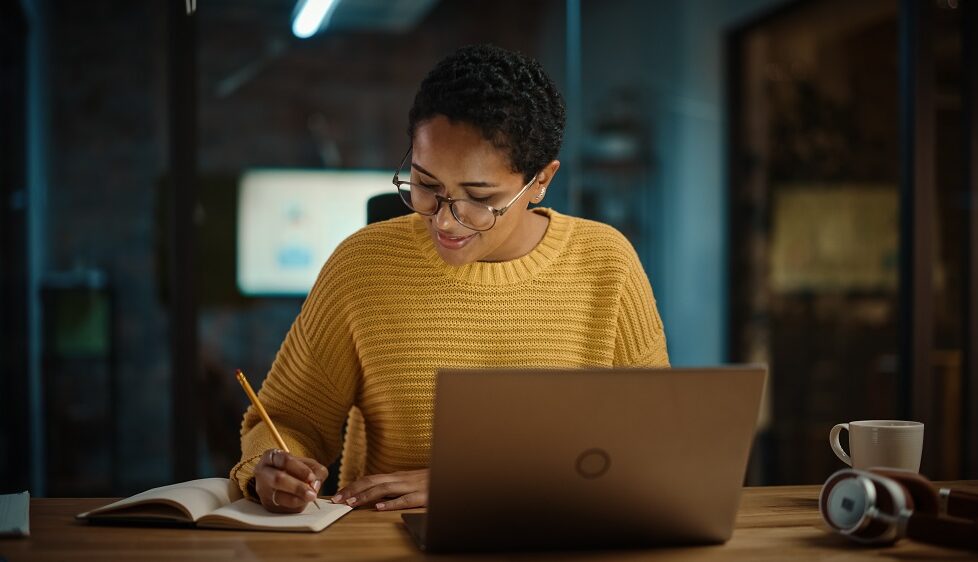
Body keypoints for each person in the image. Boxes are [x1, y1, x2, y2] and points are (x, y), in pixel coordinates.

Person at [230, 44, 669, 514]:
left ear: (541, 180)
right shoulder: (362, 266)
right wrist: (273, 466)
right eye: (426, 186)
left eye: (478, 197)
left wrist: (472, 485)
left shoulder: (607, 264)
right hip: (385, 542)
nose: (445, 221)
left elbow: (653, 445)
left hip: (561, 536)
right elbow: (289, 419)